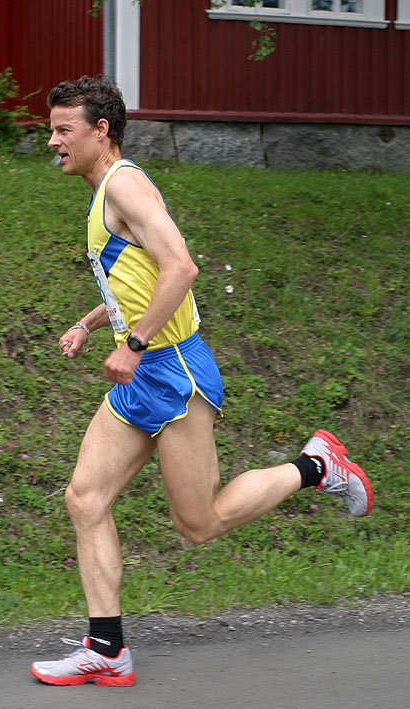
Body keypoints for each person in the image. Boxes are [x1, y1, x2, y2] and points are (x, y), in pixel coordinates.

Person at [29, 75, 374, 688]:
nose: (52, 141)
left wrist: (134, 345)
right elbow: (138, 278)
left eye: (63, 130)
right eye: (51, 129)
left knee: (199, 523)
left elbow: (181, 268)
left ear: (100, 131)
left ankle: (316, 466)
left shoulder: (124, 184)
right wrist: (89, 323)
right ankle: (106, 649)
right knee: (85, 499)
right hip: (144, 372)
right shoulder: (106, 191)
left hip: (172, 371)